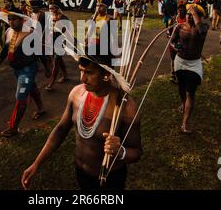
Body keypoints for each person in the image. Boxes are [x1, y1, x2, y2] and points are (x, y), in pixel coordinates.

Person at [21, 49, 142, 190]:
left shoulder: (125, 107)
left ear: (106, 75)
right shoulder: (76, 93)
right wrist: (37, 163)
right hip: (81, 173)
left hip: (110, 178)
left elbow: (137, 152)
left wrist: (120, 151)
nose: (82, 78)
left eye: (89, 73)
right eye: (81, 71)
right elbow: (61, 130)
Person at [0, 9, 45, 137]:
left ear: (22, 20)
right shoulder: (9, 32)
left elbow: (41, 53)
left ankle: (13, 128)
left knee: (21, 97)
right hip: (17, 70)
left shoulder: (31, 34)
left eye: (14, 19)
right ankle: (41, 108)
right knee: (31, 88)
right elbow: (5, 50)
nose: (11, 22)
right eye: (9, 19)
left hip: (28, 70)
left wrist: (48, 68)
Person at [170, 4, 209, 133]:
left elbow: (200, 30)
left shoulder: (203, 27)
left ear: (198, 16)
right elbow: (172, 40)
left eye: (192, 14)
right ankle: (183, 102)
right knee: (181, 87)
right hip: (180, 61)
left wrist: (194, 13)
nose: (188, 16)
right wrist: (176, 46)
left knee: (190, 92)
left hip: (194, 64)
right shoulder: (179, 27)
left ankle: (185, 123)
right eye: (188, 14)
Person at [45, 3, 69, 91]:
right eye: (49, 8)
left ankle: (51, 83)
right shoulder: (50, 17)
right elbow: (48, 29)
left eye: (52, 8)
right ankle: (65, 75)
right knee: (58, 59)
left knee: (56, 61)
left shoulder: (62, 17)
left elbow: (67, 30)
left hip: (60, 41)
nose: (50, 10)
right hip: (52, 41)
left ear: (57, 8)